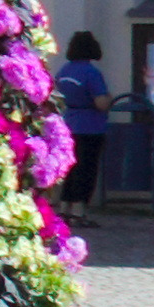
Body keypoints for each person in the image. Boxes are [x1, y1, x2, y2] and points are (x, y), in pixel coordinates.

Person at [54, 30, 112, 207]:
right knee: (86, 170)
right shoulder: (91, 72)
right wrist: (110, 99)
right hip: (90, 126)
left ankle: (65, 207)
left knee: (70, 170)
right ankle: (79, 211)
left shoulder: (64, 71)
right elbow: (101, 102)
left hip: (67, 124)